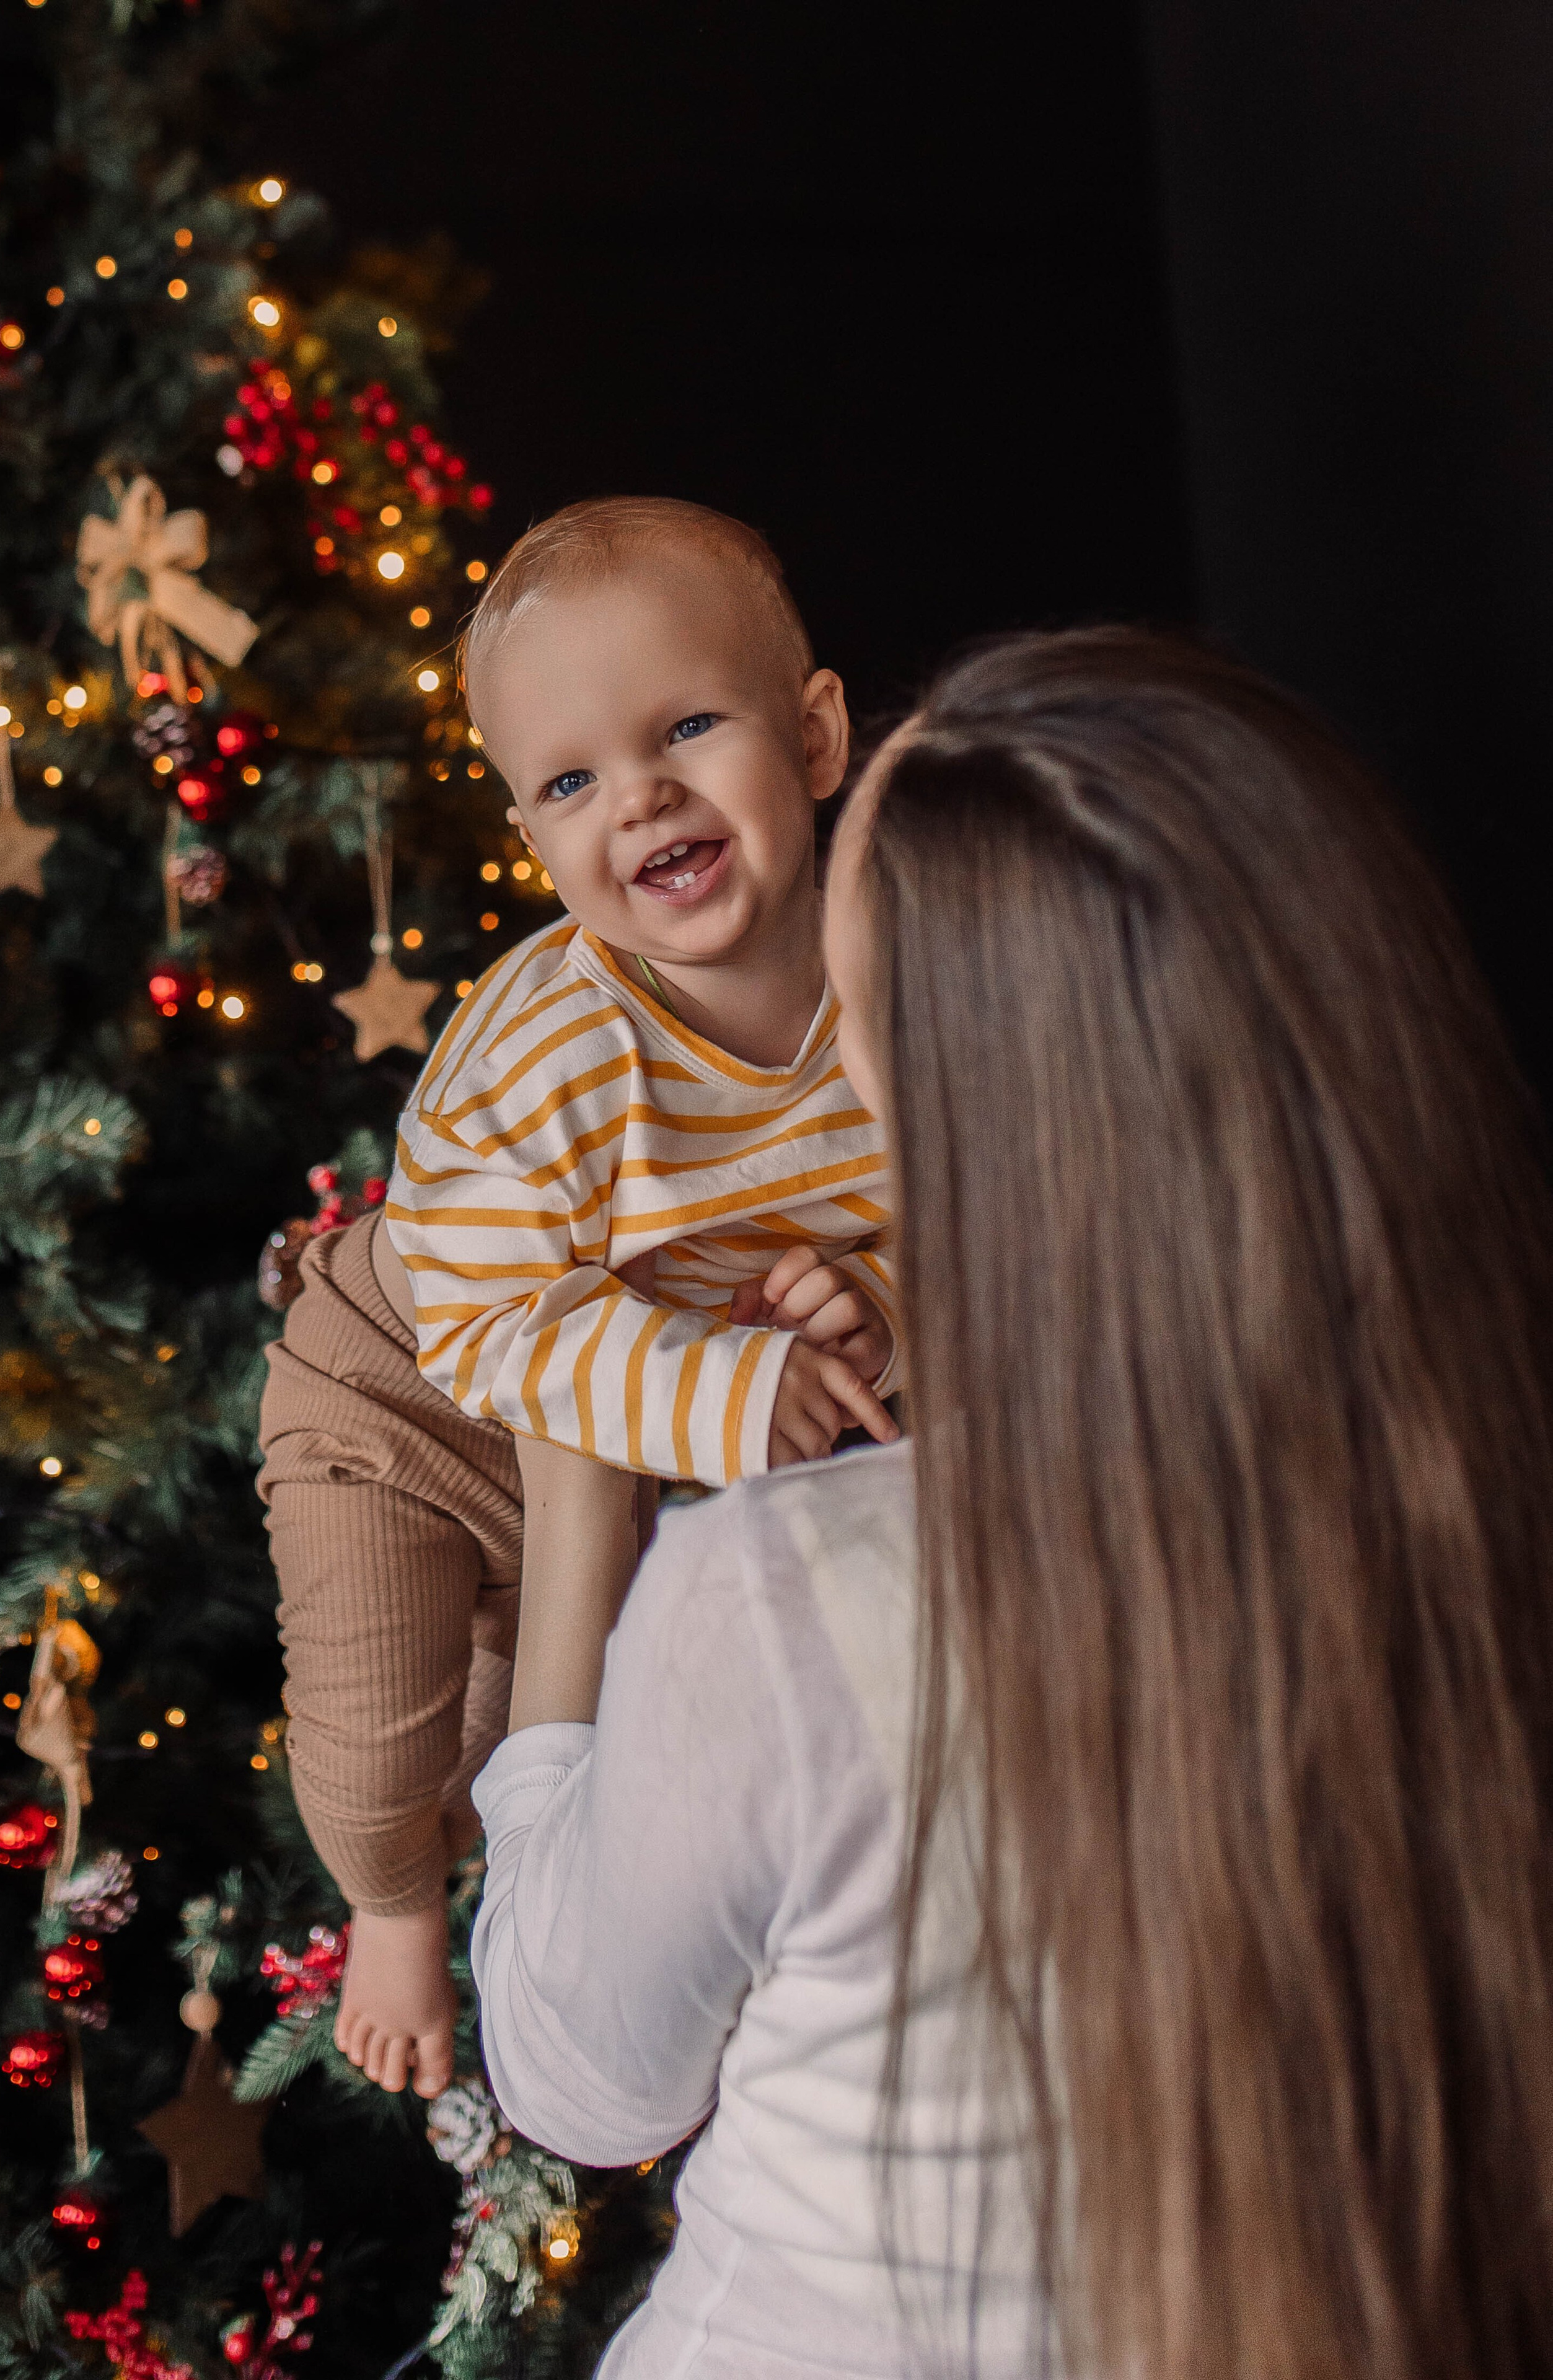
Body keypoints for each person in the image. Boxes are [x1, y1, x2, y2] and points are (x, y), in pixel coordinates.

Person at [469, 628, 1553, 2379]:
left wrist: (575, 1486)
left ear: (951, 1096)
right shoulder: (1481, 1507)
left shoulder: (790, 1593)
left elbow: (583, 2080)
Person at [263, 498, 899, 2102]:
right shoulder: (545, 1050)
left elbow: (970, 1209)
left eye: (689, 724)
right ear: (531, 838)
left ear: (816, 736)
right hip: (401, 1393)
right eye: (570, 781)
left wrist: (879, 1300)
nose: (643, 797)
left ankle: (477, 1844)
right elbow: (488, 1331)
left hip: (633, 1441)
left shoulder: (904, 973)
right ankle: (395, 1904)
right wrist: (728, 1384)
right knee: (375, 1724)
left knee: (530, 1720)